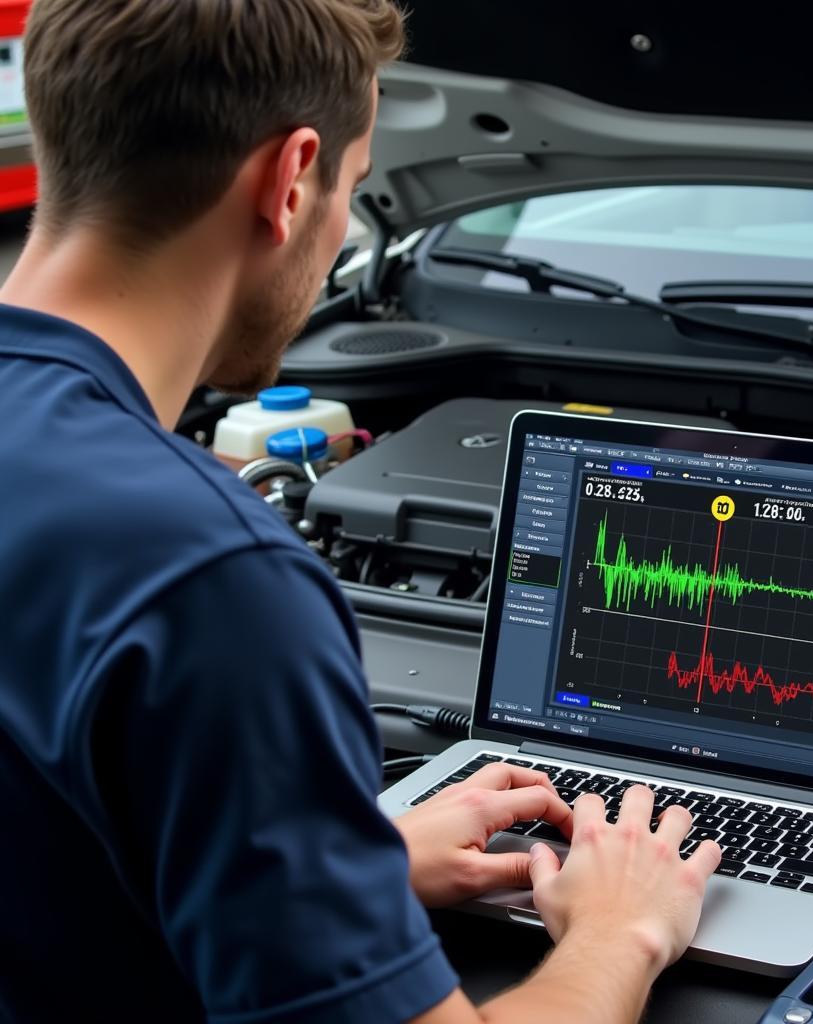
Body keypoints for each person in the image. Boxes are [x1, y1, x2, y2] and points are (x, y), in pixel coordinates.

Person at [0, 2, 721, 1022]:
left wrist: (347, 868)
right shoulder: (208, 579)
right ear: (291, 177)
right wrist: (620, 931)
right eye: (355, 182)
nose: (343, 218)